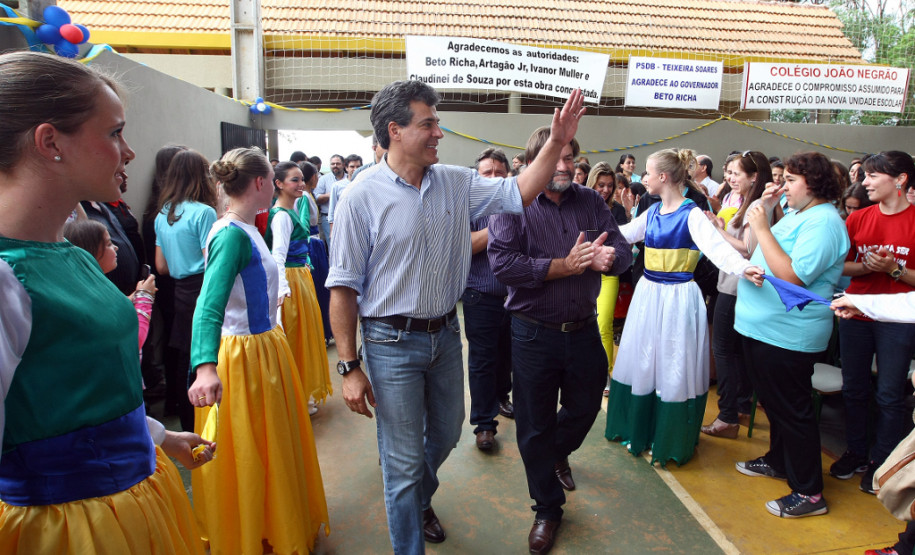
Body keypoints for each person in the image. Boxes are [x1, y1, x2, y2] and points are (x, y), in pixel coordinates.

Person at [326, 79, 585, 555]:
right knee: (401, 461)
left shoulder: (454, 182)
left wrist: (555, 142)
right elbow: (343, 286)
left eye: (437, 123)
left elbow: (520, 190)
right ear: (395, 130)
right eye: (428, 124)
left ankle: (415, 499)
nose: (439, 133)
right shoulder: (360, 196)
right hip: (388, 342)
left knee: (446, 433)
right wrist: (349, 365)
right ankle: (409, 534)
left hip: (446, 334)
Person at [0, 49, 206, 554]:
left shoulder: (66, 253)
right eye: (114, 132)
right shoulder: (7, 275)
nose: (129, 152)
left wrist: (153, 435)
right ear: (51, 143)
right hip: (67, 531)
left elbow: (84, 388)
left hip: (125, 502)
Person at [488, 129, 630, 554]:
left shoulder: (589, 201)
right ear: (536, 162)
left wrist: (610, 259)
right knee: (533, 424)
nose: (566, 166)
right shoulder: (511, 202)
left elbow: (622, 249)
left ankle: (555, 454)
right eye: (557, 158)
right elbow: (504, 264)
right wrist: (563, 267)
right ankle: (547, 508)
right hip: (532, 332)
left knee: (587, 406)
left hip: (584, 329)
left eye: (571, 157)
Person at [188, 147, 329, 554]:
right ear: (262, 183)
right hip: (247, 357)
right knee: (251, 449)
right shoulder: (232, 234)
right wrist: (204, 366)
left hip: (263, 350)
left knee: (270, 445)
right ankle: (260, 529)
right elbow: (208, 304)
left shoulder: (245, 228)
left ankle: (270, 522)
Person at [605, 148, 760, 467]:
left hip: (678, 298)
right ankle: (643, 429)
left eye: (647, 173)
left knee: (674, 364)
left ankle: (669, 436)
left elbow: (718, 250)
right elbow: (622, 236)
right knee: (644, 359)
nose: (643, 179)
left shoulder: (691, 214)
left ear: (663, 177)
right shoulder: (651, 212)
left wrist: (744, 268)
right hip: (649, 296)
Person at [734, 151, 848, 518]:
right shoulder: (801, 215)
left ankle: (809, 492)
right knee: (777, 405)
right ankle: (779, 461)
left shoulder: (825, 223)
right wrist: (764, 216)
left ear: (812, 184)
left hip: (788, 334)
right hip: (764, 328)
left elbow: (794, 276)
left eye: (792, 180)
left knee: (793, 410)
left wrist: (765, 228)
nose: (784, 186)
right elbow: (761, 253)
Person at [833, 151, 915, 494]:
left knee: (890, 393)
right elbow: (840, 266)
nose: (864, 182)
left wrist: (893, 270)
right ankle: (856, 450)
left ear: (900, 179)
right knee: (853, 387)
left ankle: (883, 460)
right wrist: (866, 268)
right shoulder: (859, 218)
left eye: (872, 176)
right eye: (864, 176)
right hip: (857, 313)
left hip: (899, 319)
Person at [701, 151, 778, 438]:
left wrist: (716, 230)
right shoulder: (751, 202)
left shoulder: (757, 205)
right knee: (735, 351)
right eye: (729, 172)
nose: (730, 178)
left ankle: (727, 416)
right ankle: (740, 407)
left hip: (735, 286)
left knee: (723, 350)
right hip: (735, 283)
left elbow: (746, 247)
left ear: (754, 177)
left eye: (736, 174)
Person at [154, 148, 218, 432]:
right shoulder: (204, 212)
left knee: (184, 358)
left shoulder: (163, 213)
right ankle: (208, 423)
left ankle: (188, 423)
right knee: (206, 356)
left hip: (179, 291)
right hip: (203, 287)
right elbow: (212, 260)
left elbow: (161, 266)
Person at [265, 161, 332, 413]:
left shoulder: (290, 210)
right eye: (294, 180)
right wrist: (282, 290)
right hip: (291, 280)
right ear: (279, 184)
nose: (300, 184)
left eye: (301, 179)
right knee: (295, 337)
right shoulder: (281, 216)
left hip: (299, 276)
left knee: (303, 336)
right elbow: (278, 256)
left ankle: (301, 393)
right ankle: (295, 396)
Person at [464, 147, 515, 453]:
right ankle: (484, 425)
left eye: (500, 172)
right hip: (479, 294)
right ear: (477, 176)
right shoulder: (469, 206)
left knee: (507, 356)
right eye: (487, 172)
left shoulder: (518, 205)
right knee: (482, 360)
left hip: (516, 296)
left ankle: (502, 395)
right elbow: (465, 246)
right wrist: (496, 225)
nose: (494, 177)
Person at [585, 162, 629, 395]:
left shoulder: (617, 211)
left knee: (603, 325)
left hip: (608, 275)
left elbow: (622, 245)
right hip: (581, 272)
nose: (605, 190)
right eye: (601, 185)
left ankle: (605, 374)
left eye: (610, 186)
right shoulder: (579, 206)